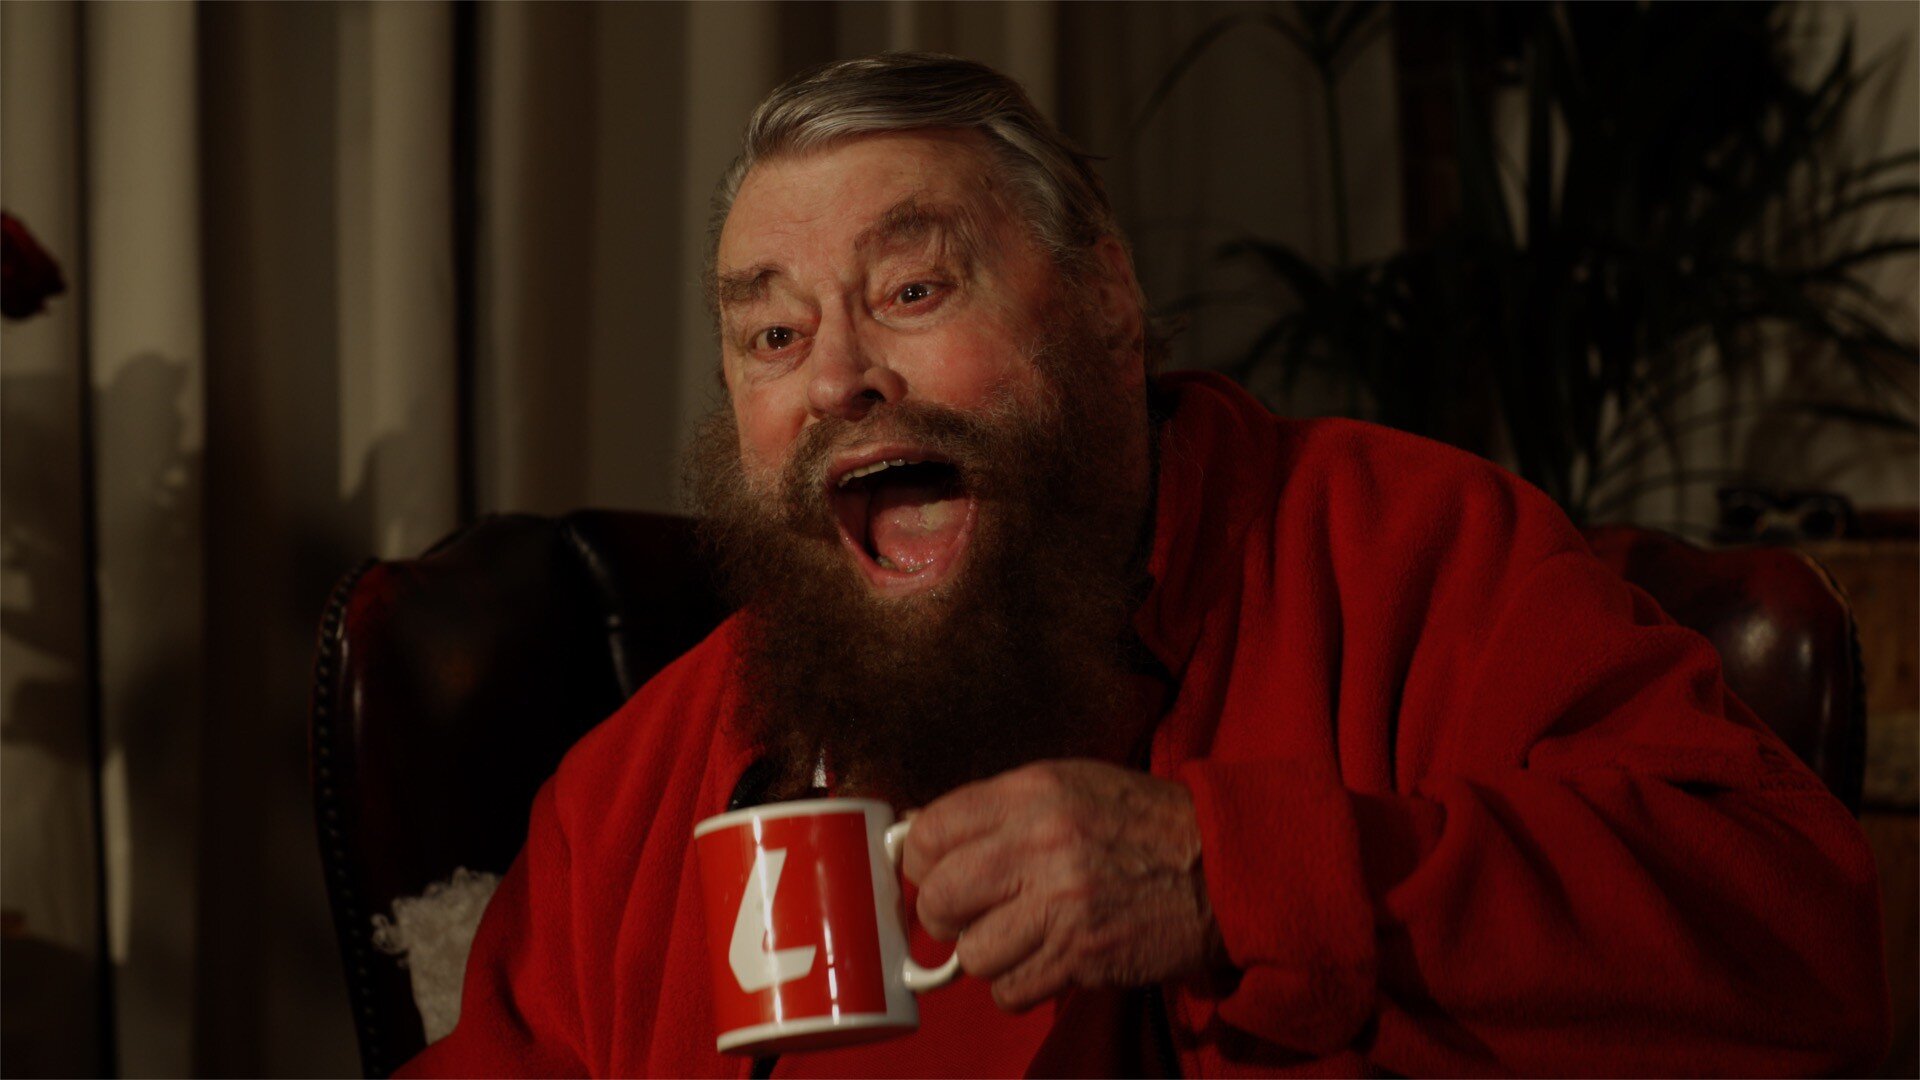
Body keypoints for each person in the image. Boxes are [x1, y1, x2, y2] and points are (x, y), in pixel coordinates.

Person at [401, 54, 1888, 1077]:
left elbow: (1802, 948)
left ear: (1107, 297)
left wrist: (1231, 873)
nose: (839, 376)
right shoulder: (642, 789)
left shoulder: (1408, 555)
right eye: (771, 335)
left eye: (913, 288)